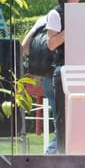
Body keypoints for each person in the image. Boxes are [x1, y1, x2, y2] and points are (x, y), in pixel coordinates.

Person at [47, 0, 85, 154]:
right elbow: (52, 44)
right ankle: (62, 159)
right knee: (63, 119)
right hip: (64, 72)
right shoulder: (56, 14)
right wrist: (72, 27)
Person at [21, 15, 57, 154]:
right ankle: (50, 156)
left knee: (60, 120)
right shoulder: (69, 17)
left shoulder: (44, 19)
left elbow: (24, 47)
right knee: (65, 123)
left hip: (47, 75)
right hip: (66, 74)